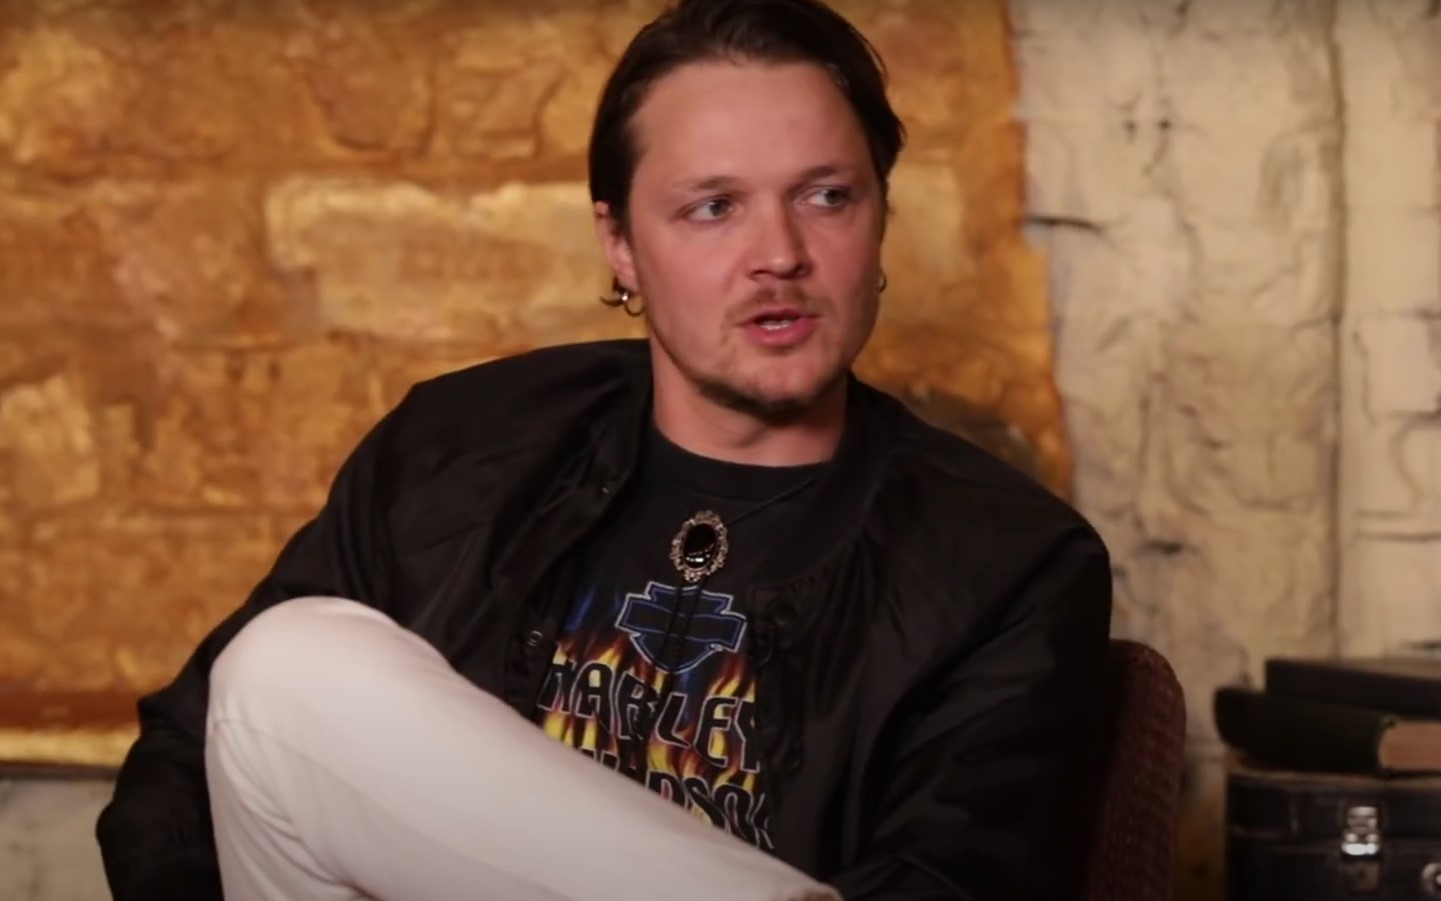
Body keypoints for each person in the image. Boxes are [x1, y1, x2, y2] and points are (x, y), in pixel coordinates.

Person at [95, 0, 1113, 898]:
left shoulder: (1007, 563)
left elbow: (958, 877)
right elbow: (189, 759)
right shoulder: (456, 450)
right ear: (619, 243)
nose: (779, 255)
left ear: (879, 219)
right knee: (286, 668)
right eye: (713, 207)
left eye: (826, 196)